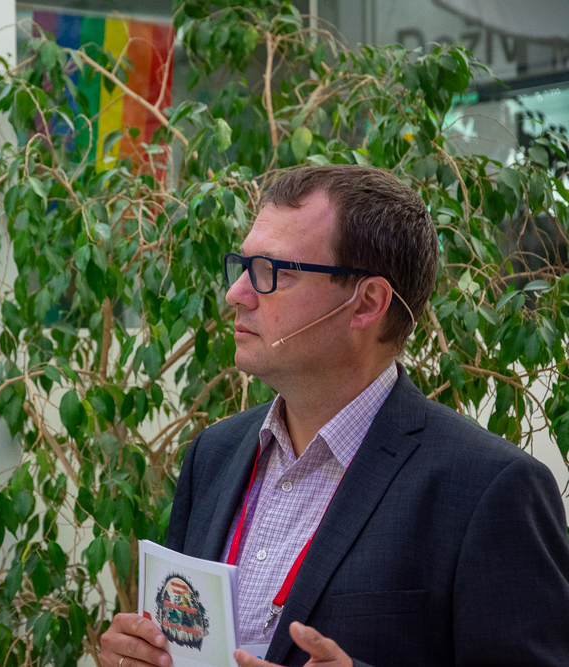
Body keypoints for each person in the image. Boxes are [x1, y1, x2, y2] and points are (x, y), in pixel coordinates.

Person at [99, 165, 569, 667]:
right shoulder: (212, 454)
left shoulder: (489, 488)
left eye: (272, 271)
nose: (236, 293)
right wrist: (138, 655)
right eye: (243, 265)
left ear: (366, 303)